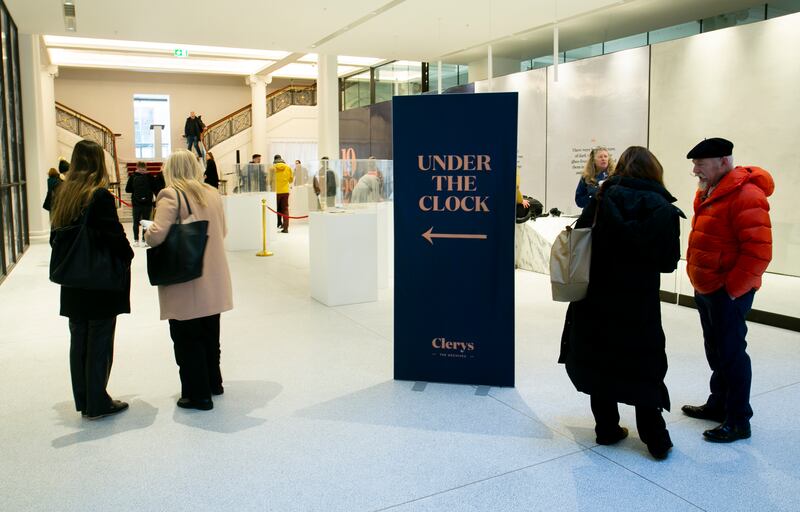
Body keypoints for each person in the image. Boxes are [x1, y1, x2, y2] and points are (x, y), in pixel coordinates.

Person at [558, 146, 684, 460]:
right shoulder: (663, 208)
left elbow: (580, 239)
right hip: (637, 301)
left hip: (596, 296)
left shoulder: (601, 201)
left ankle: (607, 429)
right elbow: (668, 262)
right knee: (643, 362)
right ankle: (655, 438)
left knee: (599, 357)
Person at [681, 137, 773, 443]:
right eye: (694, 164)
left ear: (724, 161)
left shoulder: (746, 195)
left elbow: (758, 251)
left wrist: (732, 290)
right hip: (706, 286)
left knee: (732, 353)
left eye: (700, 164)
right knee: (716, 350)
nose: (696, 170)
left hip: (726, 291)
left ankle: (738, 419)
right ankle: (718, 403)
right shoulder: (711, 191)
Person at [143, 149, 233, 411]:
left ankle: (197, 394)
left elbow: (157, 235)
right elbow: (223, 230)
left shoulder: (171, 194)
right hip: (214, 276)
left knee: (186, 338)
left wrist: (147, 230)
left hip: (186, 278)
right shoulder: (212, 192)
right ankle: (214, 383)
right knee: (210, 333)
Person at [50, 139, 133, 420]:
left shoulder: (63, 194)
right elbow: (114, 237)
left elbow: (56, 239)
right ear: (98, 163)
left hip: (73, 280)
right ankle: (98, 401)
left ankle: (85, 399)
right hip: (99, 279)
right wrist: (128, 254)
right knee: (100, 337)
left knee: (79, 337)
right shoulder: (98, 197)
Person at [125, 161, 155, 247]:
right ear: (146, 167)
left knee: (135, 222)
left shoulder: (133, 176)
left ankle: (136, 241)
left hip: (136, 203)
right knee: (146, 222)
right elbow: (155, 187)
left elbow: (127, 189)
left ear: (137, 167)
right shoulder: (149, 176)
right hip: (147, 203)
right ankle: (144, 240)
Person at [271, 154, 293, 232]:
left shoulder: (272, 168)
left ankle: (274, 227)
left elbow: (268, 181)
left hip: (275, 192)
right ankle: (286, 228)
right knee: (285, 209)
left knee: (274, 209)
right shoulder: (288, 168)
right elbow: (291, 180)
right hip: (285, 191)